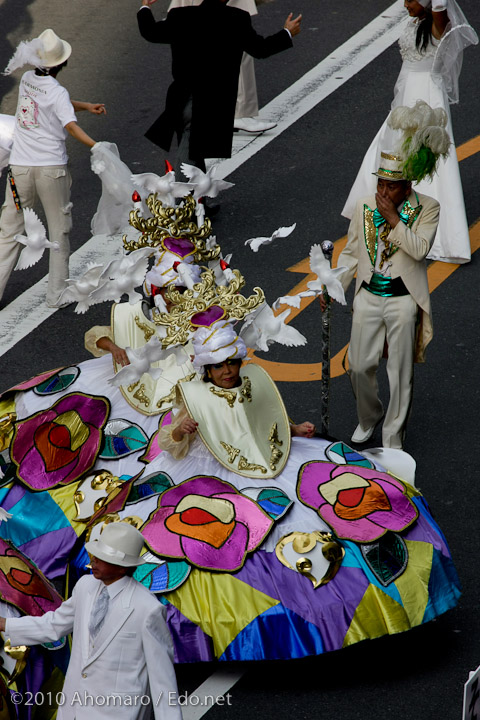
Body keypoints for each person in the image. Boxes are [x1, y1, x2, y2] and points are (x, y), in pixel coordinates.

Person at [341, 0, 478, 264]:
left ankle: (424, 228)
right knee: (390, 147)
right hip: (405, 95)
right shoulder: (414, 21)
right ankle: (379, 212)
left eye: (411, 0)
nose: (405, 4)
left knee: (420, 155)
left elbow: (439, 13)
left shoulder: (439, 26)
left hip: (425, 97)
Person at [0, 522, 181, 720]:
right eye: (96, 554)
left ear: (122, 568)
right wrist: (4, 624)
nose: (93, 560)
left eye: (102, 558)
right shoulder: (85, 586)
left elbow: (163, 682)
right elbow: (53, 625)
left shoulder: (148, 609)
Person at [337, 151, 439, 449]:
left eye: (391, 187)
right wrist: (332, 288)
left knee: (400, 371)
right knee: (357, 365)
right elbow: (351, 250)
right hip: (369, 294)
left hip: (403, 300)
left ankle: (393, 437)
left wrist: (394, 220)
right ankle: (370, 416)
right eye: (380, 184)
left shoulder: (428, 208)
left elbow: (420, 249)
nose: (382, 192)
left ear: (407, 188)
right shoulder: (364, 205)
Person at [0, 29, 106, 308]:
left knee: (9, 230)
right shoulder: (57, 92)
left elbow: (52, 105)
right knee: (58, 231)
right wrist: (96, 146)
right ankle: (56, 293)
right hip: (50, 172)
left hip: (19, 168)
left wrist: (84, 106)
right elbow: (68, 124)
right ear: (62, 64)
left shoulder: (26, 80)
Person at [137, 0, 301, 178]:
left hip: (180, 99)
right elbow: (261, 49)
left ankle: (202, 203)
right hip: (211, 104)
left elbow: (150, 32)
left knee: (195, 151)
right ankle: (186, 201)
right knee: (188, 160)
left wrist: (146, 6)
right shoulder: (237, 19)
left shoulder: (180, 16)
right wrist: (287, 33)